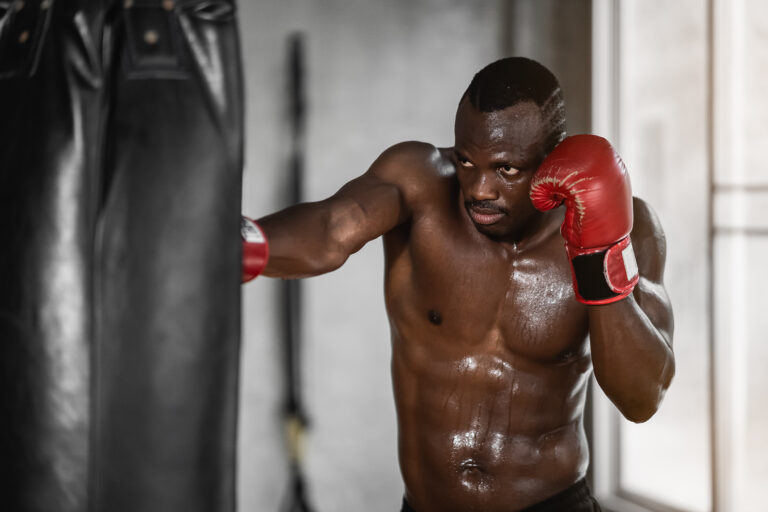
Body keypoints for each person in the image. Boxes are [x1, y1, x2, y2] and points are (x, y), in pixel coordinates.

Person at [242, 57, 674, 512]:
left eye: (507, 169)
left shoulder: (631, 227)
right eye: (467, 160)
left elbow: (641, 398)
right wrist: (233, 245)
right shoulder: (419, 182)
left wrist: (598, 260)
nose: (479, 189)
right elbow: (332, 228)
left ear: (553, 158)